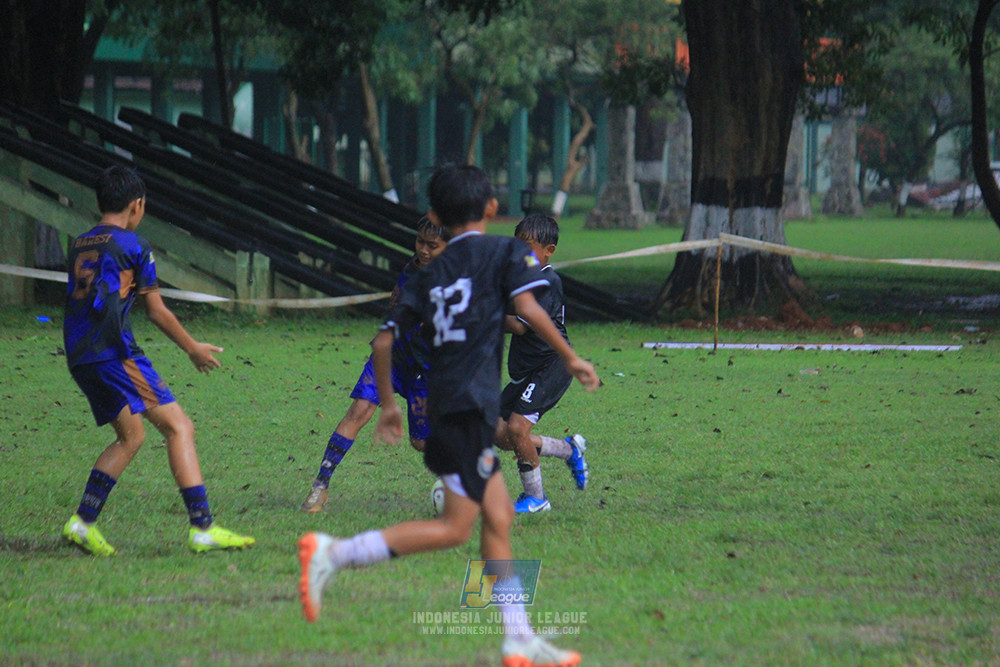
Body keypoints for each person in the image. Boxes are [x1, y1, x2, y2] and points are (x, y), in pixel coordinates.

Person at [297, 165, 598, 667]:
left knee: (498, 517)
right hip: (462, 414)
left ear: (435, 215)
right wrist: (568, 356)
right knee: (457, 528)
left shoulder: (425, 273)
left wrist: (390, 406)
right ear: (491, 211)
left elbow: (383, 340)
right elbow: (526, 303)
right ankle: (332, 554)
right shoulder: (501, 252)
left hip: (454, 407)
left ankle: (518, 637)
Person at [61, 165, 254, 556]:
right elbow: (157, 311)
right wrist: (192, 347)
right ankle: (202, 527)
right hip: (115, 354)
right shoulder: (134, 245)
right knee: (180, 427)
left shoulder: (81, 242)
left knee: (131, 436)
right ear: (138, 205)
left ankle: (83, 522)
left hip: (80, 356)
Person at [300, 218, 447, 513]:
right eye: (420, 242)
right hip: (393, 355)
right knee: (359, 410)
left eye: (433, 246)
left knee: (420, 442)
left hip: (427, 366)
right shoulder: (413, 267)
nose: (424, 250)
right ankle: (321, 486)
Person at [496, 214, 589, 514]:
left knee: (516, 428)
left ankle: (536, 498)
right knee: (497, 432)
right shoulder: (518, 277)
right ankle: (567, 449)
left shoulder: (547, 281)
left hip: (553, 364)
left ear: (548, 250)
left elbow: (522, 325)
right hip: (527, 369)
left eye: (528, 247)